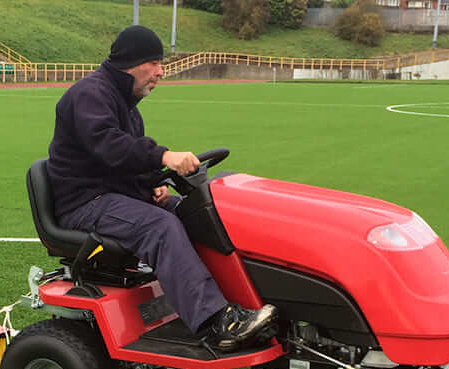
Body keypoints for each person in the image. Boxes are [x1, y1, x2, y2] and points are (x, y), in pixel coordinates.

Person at [46, 25, 276, 352]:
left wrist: (151, 186)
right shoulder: (90, 95)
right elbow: (109, 146)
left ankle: (238, 300)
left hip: (111, 196)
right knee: (161, 226)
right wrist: (164, 156)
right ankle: (216, 322)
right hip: (84, 204)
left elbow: (123, 164)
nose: (160, 72)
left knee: (195, 211)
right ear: (131, 62)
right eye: (154, 63)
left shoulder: (125, 106)